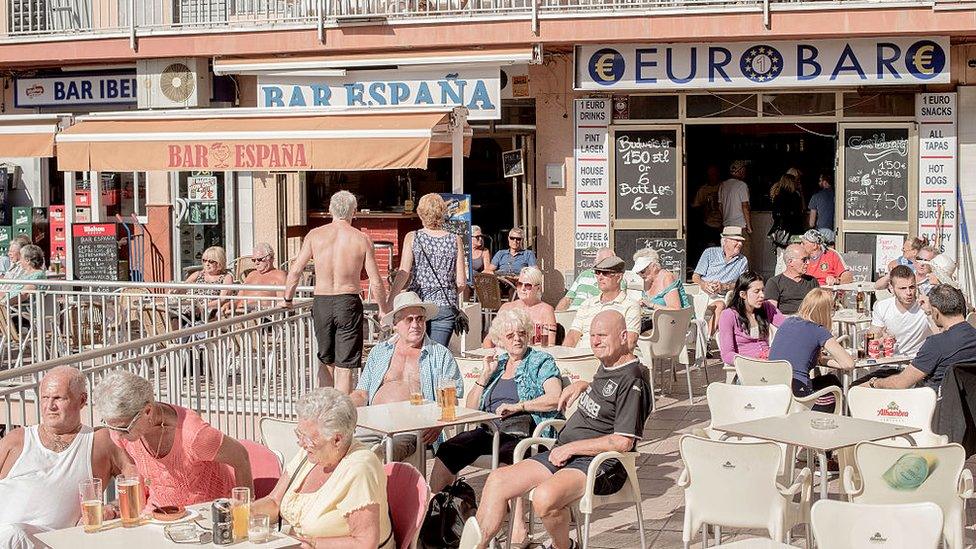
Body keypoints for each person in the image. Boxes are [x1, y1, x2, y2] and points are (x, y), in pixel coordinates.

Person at [472, 310, 651, 549]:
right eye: (592, 335)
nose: (596, 342)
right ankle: (476, 545)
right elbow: (608, 396)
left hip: (601, 463)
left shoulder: (633, 379)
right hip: (566, 451)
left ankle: (564, 546)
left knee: (545, 498)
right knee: (497, 480)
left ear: (623, 336)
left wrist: (571, 448)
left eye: (602, 336)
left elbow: (623, 442)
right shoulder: (608, 364)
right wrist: (583, 385)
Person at [431, 308, 562, 544]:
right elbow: (471, 407)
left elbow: (554, 396)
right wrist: (484, 375)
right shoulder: (498, 364)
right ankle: (435, 516)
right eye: (510, 335)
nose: (517, 339)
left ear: (529, 334)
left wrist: (520, 406)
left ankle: (518, 528)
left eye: (522, 333)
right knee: (448, 449)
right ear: (501, 339)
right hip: (490, 429)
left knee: (506, 457)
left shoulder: (540, 361)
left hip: (525, 429)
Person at [0, 367, 136, 549]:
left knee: (14, 534)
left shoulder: (100, 442)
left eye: (58, 398)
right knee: (12, 534)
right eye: (45, 398)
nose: (50, 406)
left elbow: (139, 482)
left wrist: (112, 508)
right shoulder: (17, 439)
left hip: (50, 542)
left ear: (82, 400)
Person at [251, 388, 393, 548]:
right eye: (299, 434)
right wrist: (241, 512)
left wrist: (311, 544)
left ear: (337, 440)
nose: (301, 443)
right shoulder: (310, 454)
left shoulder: (360, 468)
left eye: (308, 438)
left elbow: (365, 542)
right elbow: (275, 503)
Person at [93, 370, 253, 508]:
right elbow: (137, 474)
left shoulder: (195, 435)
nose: (118, 435)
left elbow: (242, 457)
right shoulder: (122, 431)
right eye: (111, 426)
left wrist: (247, 513)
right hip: (157, 518)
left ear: (147, 411)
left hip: (206, 519)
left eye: (123, 428)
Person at [284, 191, 389, 393]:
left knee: (325, 361)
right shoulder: (361, 239)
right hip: (348, 301)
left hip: (322, 301)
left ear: (330, 210)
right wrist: (383, 309)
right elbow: (375, 280)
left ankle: (324, 413)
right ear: (354, 212)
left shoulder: (315, 235)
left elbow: (295, 271)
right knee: (345, 366)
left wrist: (287, 299)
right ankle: (340, 418)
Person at [350, 292, 463, 462]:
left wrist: (439, 424)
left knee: (380, 455)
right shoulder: (380, 351)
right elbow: (361, 394)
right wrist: (338, 410)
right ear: (395, 324)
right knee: (343, 450)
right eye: (409, 320)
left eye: (420, 319)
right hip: (373, 423)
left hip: (412, 427)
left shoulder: (440, 355)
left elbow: (451, 399)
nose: (415, 324)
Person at [866, 284, 976, 392]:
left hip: (931, 405)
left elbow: (900, 383)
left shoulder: (936, 344)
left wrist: (873, 382)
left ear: (936, 313)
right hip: (966, 403)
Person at [390, 193, 466, 348]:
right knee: (437, 356)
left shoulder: (413, 237)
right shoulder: (455, 239)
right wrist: (447, 292)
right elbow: (461, 282)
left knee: (416, 353)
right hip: (445, 306)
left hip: (418, 303)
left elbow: (404, 272)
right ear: (443, 213)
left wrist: (390, 299)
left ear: (420, 213)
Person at [769, 288, 855, 412]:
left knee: (829, 380)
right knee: (833, 386)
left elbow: (805, 359)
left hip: (776, 388)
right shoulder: (818, 330)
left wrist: (827, 361)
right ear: (825, 311)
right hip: (799, 394)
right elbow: (849, 364)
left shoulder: (787, 323)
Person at [563, 256, 641, 350]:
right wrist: (564, 355)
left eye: (605, 273)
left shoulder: (630, 306)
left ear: (619, 277)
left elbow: (630, 342)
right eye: (597, 273)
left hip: (609, 359)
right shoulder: (587, 304)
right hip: (580, 357)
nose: (600, 277)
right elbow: (573, 336)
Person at [718, 272, 787, 365]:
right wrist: (753, 362)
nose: (762, 295)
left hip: (769, 361)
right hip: (747, 366)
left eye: (763, 290)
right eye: (756, 291)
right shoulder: (728, 315)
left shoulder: (766, 307)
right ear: (743, 294)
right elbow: (727, 355)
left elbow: (787, 326)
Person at [692, 226, 748, 334]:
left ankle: (706, 340)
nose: (740, 244)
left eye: (741, 241)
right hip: (704, 293)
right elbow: (695, 276)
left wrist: (724, 286)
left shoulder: (742, 260)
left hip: (723, 296)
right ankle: (697, 338)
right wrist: (704, 284)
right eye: (736, 241)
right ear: (725, 241)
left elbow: (743, 283)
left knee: (721, 305)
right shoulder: (709, 253)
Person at [869, 265, 932, 359]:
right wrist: (883, 340)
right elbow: (871, 342)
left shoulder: (926, 305)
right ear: (891, 288)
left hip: (919, 362)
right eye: (902, 288)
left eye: (912, 287)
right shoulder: (882, 307)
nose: (909, 292)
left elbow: (943, 336)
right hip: (891, 362)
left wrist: (929, 313)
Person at [484, 266, 557, 347]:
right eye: (519, 284)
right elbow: (489, 339)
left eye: (528, 285)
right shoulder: (506, 308)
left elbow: (550, 344)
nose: (522, 289)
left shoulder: (546, 310)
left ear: (538, 288)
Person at [631, 248, 690, 333]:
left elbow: (676, 309)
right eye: (638, 272)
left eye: (643, 271)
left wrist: (651, 304)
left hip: (675, 323)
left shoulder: (667, 278)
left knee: (632, 333)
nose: (640, 275)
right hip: (654, 322)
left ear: (654, 266)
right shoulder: (646, 280)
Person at [176, 246, 235, 319]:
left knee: (180, 316)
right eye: (204, 260)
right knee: (174, 313)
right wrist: (175, 290)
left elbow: (223, 299)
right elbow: (183, 288)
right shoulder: (198, 274)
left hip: (209, 311)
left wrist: (202, 307)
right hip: (189, 308)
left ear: (219, 262)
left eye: (211, 261)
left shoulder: (226, 277)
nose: (207, 264)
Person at [556, 248, 622, 311]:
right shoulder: (584, 275)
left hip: (591, 316)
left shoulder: (616, 279)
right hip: (572, 314)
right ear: (595, 261)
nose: (605, 265)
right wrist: (558, 315)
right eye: (602, 261)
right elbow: (568, 299)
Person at [229, 242, 287, 312]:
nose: (256, 262)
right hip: (240, 313)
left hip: (262, 315)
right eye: (253, 260)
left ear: (270, 258)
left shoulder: (279, 275)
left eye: (259, 259)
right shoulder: (251, 275)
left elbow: (281, 302)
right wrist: (229, 304)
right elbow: (238, 298)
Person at [764, 244, 819, 315]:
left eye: (808, 259)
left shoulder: (812, 281)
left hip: (810, 320)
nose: (808, 263)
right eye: (804, 260)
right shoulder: (774, 283)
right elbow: (771, 312)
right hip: (786, 322)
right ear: (790, 262)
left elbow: (819, 305)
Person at [691, 165, 724, 248]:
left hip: (723, 223)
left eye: (715, 174)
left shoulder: (724, 187)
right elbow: (696, 206)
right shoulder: (703, 190)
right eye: (711, 175)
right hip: (708, 224)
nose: (713, 177)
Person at [769, 173, 805, 245]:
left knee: (781, 253)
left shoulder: (777, 195)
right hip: (794, 230)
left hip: (780, 231)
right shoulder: (795, 196)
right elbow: (799, 213)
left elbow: (774, 215)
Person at [719, 160, 751, 235]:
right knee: (743, 246)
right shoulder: (742, 185)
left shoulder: (723, 185)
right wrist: (749, 227)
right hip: (740, 226)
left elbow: (720, 207)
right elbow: (745, 207)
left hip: (726, 226)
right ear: (741, 171)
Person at [807, 173, 835, 243]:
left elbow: (811, 223)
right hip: (836, 230)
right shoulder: (837, 195)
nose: (819, 183)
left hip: (822, 230)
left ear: (825, 182)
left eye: (820, 181)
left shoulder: (816, 197)